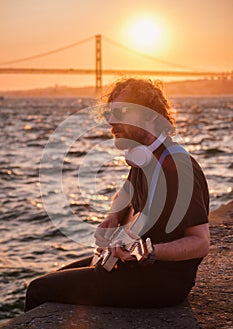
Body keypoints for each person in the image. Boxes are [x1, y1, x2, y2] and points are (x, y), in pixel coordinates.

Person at [25, 78, 210, 311]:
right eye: (108, 114)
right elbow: (126, 192)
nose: (112, 121)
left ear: (152, 115)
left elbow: (200, 242)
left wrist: (148, 251)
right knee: (54, 278)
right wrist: (114, 216)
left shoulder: (177, 166)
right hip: (136, 269)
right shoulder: (144, 157)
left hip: (159, 282)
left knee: (39, 290)